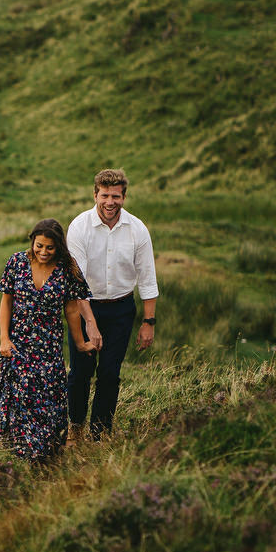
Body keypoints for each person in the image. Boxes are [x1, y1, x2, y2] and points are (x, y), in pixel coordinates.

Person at [0, 219, 99, 461]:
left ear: (58, 247)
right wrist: (4, 339)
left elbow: (72, 311)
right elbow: (6, 302)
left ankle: (46, 452)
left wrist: (80, 343)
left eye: (49, 247)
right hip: (18, 341)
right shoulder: (16, 262)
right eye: (39, 246)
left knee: (48, 398)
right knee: (20, 395)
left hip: (48, 344)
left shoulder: (67, 269)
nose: (43, 252)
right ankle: (19, 452)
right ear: (32, 242)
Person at [67, 168, 159, 442]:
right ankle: (75, 429)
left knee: (109, 373)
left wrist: (148, 322)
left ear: (124, 197)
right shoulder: (79, 227)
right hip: (85, 307)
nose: (110, 202)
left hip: (121, 309)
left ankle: (100, 432)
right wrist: (91, 324)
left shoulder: (137, 229)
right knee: (80, 372)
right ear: (95, 194)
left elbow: (147, 278)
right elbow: (76, 282)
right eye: (105, 195)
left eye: (116, 196)